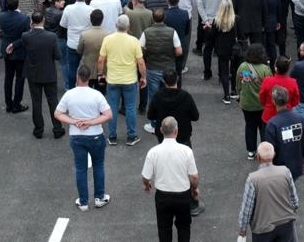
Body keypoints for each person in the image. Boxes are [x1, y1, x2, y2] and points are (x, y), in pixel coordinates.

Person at [55, 65, 113, 211]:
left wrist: (74, 122)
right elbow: (108, 115)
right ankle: (99, 197)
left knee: (80, 169)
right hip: (95, 136)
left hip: (77, 136)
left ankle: (83, 202)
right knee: (98, 166)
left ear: (77, 76)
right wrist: (90, 122)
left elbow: (58, 114)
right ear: (89, 77)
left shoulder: (69, 95)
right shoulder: (97, 95)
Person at [141, 116, 201, 241]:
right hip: (183, 195)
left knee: (164, 229)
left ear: (161, 131)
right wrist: (195, 188)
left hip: (162, 196)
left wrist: (147, 185)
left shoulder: (153, 152)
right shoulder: (186, 151)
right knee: (184, 227)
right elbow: (194, 176)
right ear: (176, 131)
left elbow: (146, 177)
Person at [98, 14, 147, 145]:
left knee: (112, 107)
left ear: (116, 25)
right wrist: (143, 77)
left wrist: (100, 74)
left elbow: (101, 60)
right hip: (129, 80)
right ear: (128, 26)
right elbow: (140, 62)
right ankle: (131, 136)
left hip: (112, 79)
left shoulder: (107, 39)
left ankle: (112, 137)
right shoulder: (134, 41)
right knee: (130, 108)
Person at [237, 140, 299, 241]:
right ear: (274, 155)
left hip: (263, 229)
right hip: (286, 225)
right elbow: (294, 201)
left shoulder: (253, 179)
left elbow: (247, 210)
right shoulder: (285, 172)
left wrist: (242, 231)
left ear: (258, 157)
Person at [23, 10, 64, 139]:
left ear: (31, 22)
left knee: (36, 102)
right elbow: (58, 56)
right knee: (53, 101)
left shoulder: (26, 36)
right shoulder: (52, 37)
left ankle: (38, 129)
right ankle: (57, 128)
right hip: (49, 73)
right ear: (43, 21)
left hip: (33, 74)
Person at [263, 86, 304, 183]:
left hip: (279, 170)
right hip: (296, 167)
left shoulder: (272, 124)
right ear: (287, 99)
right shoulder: (300, 119)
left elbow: (270, 152)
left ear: (273, 101)